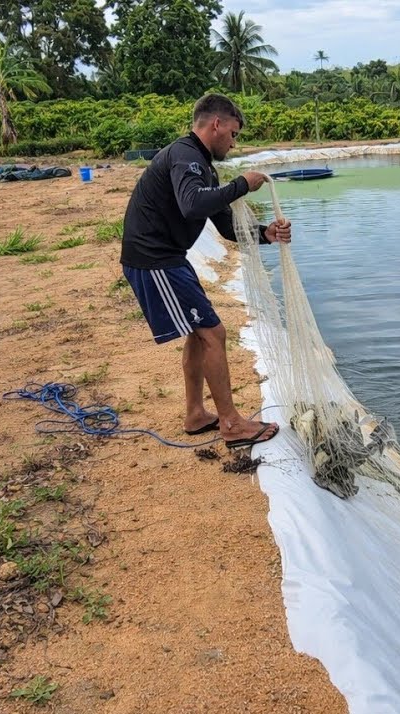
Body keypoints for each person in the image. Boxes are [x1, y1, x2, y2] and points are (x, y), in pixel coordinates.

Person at [120, 93, 292, 450]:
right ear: (217, 124)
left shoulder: (201, 164)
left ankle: (196, 414)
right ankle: (231, 424)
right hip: (154, 259)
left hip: (167, 257)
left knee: (199, 334)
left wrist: (266, 234)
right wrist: (241, 184)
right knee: (213, 333)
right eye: (233, 133)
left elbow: (226, 226)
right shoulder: (186, 156)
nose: (234, 142)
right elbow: (192, 205)